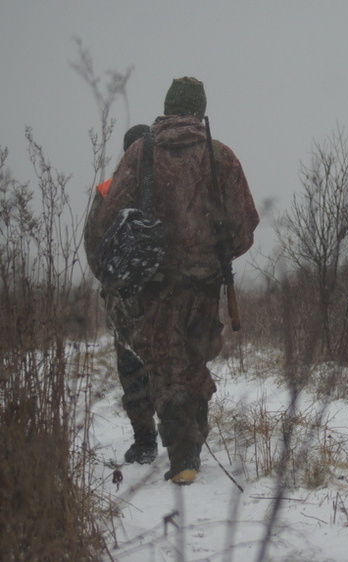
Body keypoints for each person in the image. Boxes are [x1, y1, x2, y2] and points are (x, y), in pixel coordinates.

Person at [87, 77, 259, 484]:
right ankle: (188, 450)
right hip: (204, 281)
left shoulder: (140, 152)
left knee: (165, 364)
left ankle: (185, 453)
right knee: (195, 357)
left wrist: (132, 264)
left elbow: (111, 221)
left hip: (154, 281)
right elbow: (244, 225)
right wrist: (216, 256)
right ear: (200, 109)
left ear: (166, 108)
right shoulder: (221, 155)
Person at [85, 123, 158, 465]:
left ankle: (145, 441)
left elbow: (93, 246)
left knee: (132, 366)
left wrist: (116, 282)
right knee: (171, 361)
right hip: (164, 293)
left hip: (123, 297)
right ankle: (183, 437)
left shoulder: (108, 190)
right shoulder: (168, 187)